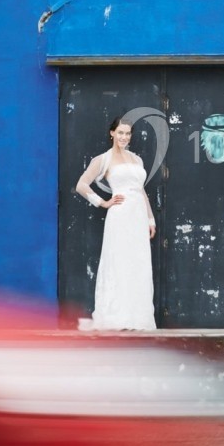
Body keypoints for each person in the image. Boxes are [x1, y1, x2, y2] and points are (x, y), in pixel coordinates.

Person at [74, 117, 157, 330]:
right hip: (120, 217)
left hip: (138, 217)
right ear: (112, 133)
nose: (124, 137)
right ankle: (116, 318)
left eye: (128, 133)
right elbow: (81, 184)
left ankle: (138, 319)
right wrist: (102, 202)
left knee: (138, 264)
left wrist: (150, 219)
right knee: (118, 262)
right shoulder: (103, 159)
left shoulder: (137, 160)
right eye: (120, 132)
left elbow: (141, 191)